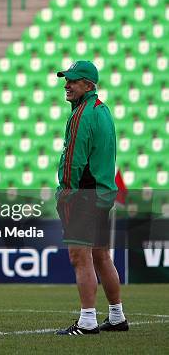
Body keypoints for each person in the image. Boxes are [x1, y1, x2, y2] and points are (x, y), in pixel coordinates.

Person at [54, 60, 128, 335]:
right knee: (101, 255)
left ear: (88, 84)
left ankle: (87, 321)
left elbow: (74, 158)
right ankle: (117, 315)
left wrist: (67, 191)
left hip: (83, 194)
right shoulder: (102, 110)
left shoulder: (82, 114)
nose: (67, 85)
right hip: (102, 193)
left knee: (80, 256)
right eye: (66, 80)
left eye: (73, 81)